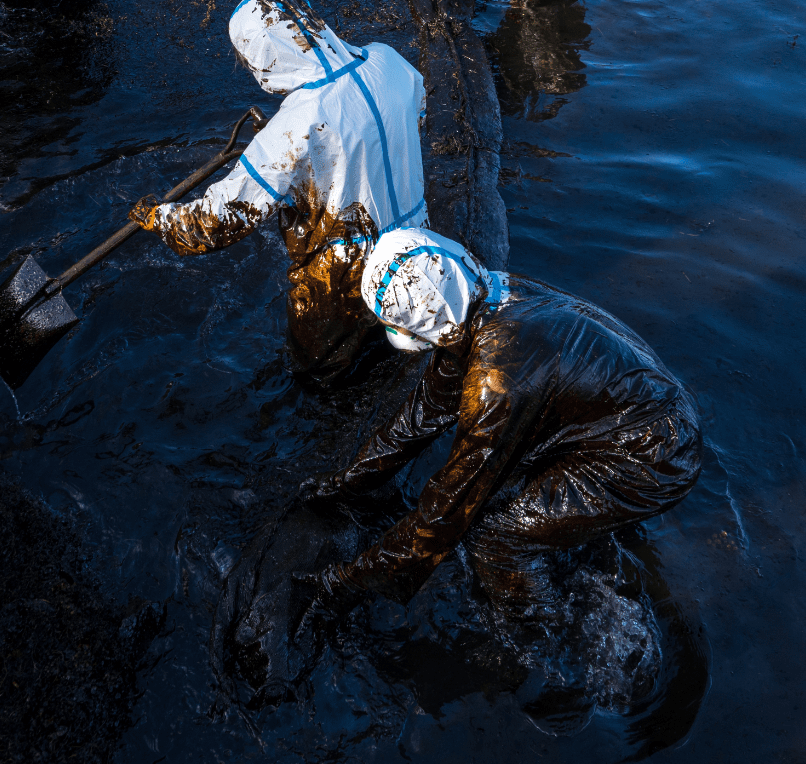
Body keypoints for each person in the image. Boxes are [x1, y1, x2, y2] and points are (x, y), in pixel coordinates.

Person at [297, 228, 701, 621]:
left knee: (493, 537)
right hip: (636, 410)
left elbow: (449, 508)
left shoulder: (497, 379)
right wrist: (346, 484)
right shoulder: (486, 298)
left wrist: (346, 583)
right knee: (510, 484)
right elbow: (424, 414)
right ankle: (572, 536)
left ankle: (539, 638)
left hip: (652, 454)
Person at [129, 0, 427, 385]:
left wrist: (159, 218)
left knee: (321, 377)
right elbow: (414, 115)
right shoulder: (387, 60)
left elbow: (219, 221)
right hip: (416, 239)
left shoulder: (297, 123)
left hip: (339, 275)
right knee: (397, 349)